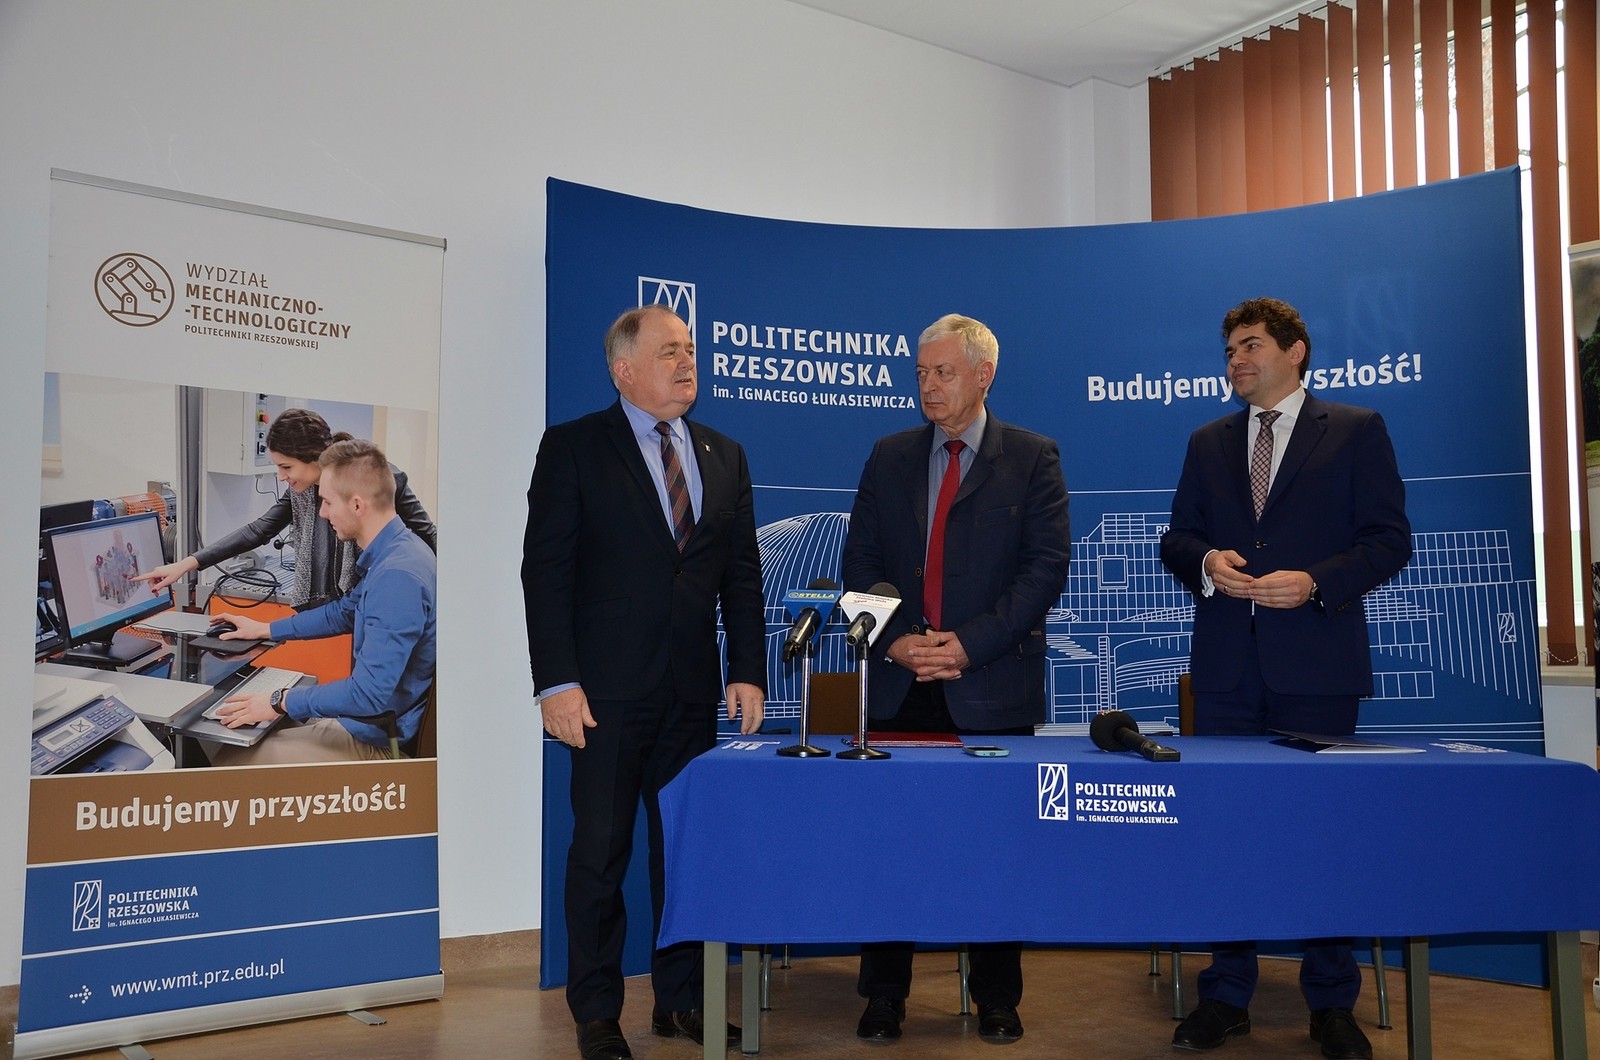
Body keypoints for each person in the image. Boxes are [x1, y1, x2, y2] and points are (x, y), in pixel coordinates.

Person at [1159, 298, 1411, 1059]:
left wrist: (1317, 582)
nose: (1236, 360)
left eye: (1251, 345)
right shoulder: (1208, 441)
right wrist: (1207, 562)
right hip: (1228, 671)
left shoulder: (1356, 430)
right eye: (1229, 350)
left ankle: (1331, 1004)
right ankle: (1225, 995)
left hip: (1318, 666)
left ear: (1295, 351)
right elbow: (1178, 537)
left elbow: (1388, 540)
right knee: (1227, 832)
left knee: (1323, 833)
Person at [522, 304, 766, 1060]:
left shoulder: (724, 454)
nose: (687, 362)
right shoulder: (572, 447)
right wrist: (556, 683)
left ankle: (680, 1001)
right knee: (600, 854)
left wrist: (748, 670)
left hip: (690, 692)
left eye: (690, 349)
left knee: (684, 853)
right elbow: (545, 573)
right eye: (669, 352)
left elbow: (741, 576)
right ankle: (597, 1013)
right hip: (602, 694)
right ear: (624, 370)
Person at [839, 313, 1070, 1047]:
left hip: (989, 684)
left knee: (994, 846)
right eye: (920, 373)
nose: (928, 386)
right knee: (891, 845)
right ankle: (884, 996)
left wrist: (968, 647)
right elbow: (859, 563)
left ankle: (996, 997)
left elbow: (1043, 572)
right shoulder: (889, 457)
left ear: (983, 375)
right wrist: (896, 641)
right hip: (902, 684)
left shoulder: (1031, 458)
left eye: (942, 372)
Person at [209, 439, 437, 765]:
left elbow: (367, 694)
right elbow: (343, 613)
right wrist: (265, 629)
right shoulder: (400, 552)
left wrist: (279, 700)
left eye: (328, 502)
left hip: (381, 741)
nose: (322, 512)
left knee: (231, 758)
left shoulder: (397, 577)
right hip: (372, 723)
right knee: (250, 730)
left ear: (357, 505)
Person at [137, 407, 437, 610]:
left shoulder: (381, 479)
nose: (281, 476)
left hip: (381, 603)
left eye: (286, 467)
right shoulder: (302, 492)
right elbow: (259, 529)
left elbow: (428, 536)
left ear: (313, 457)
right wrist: (185, 564)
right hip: (342, 609)